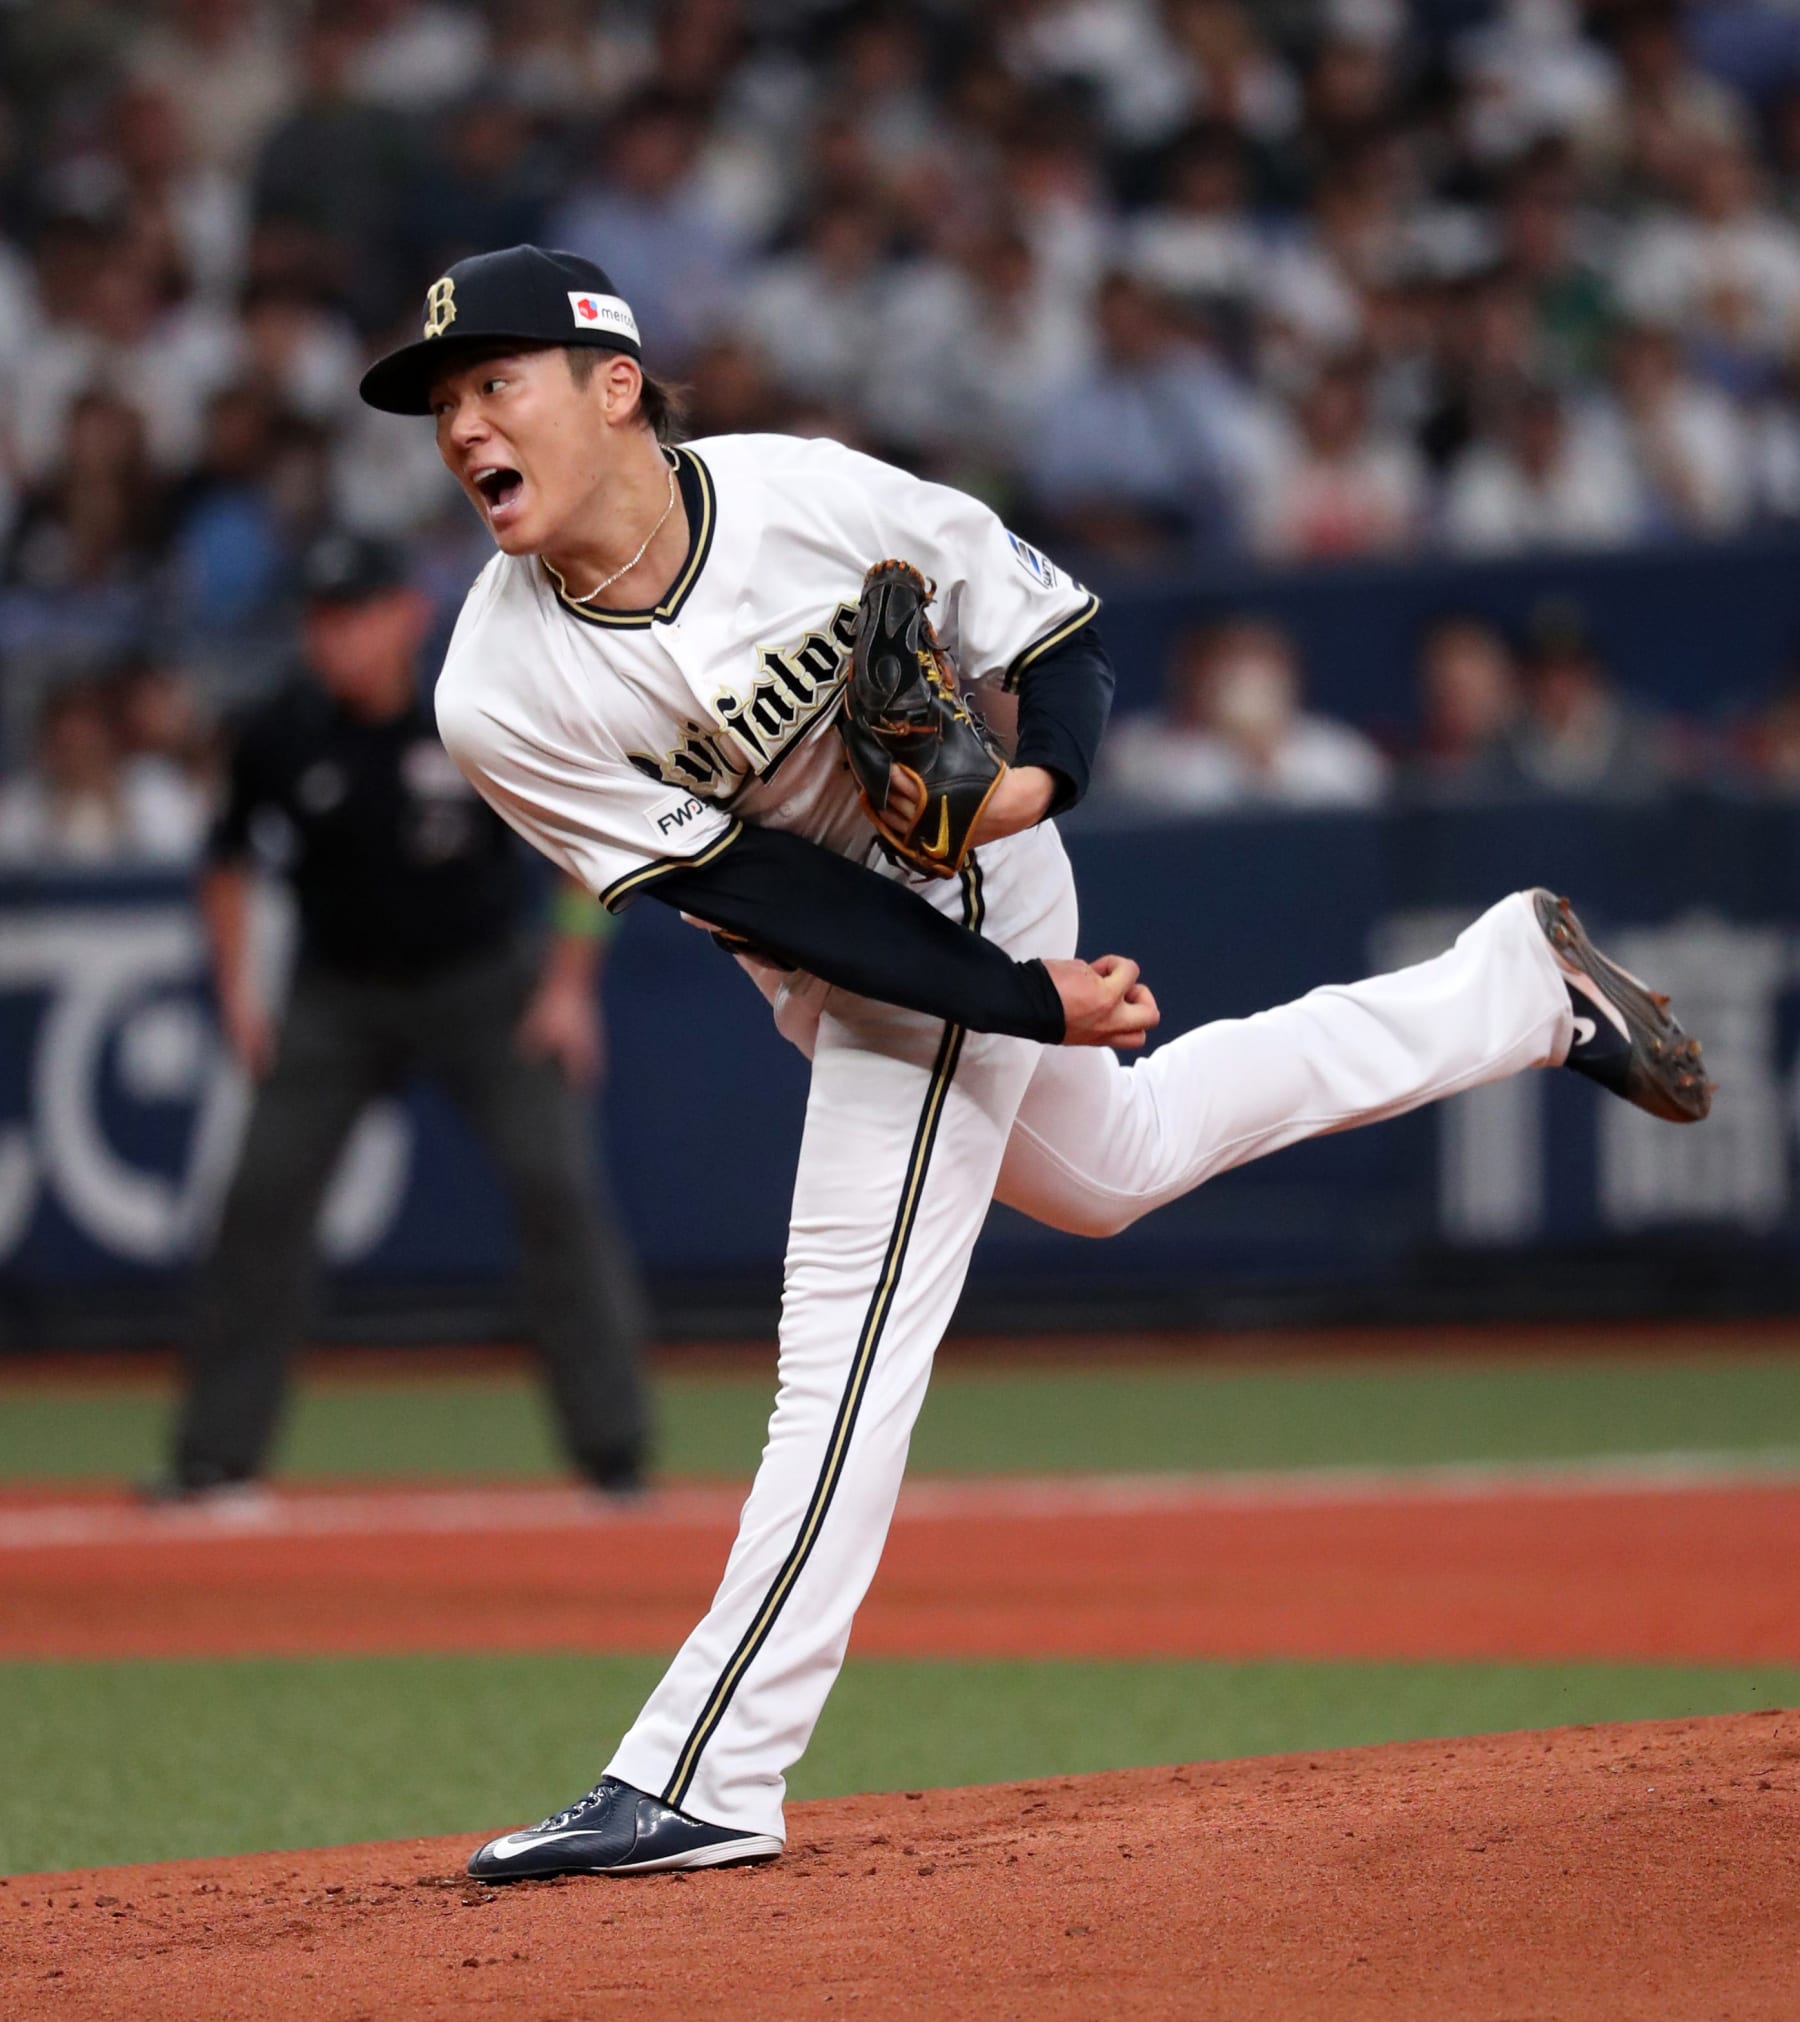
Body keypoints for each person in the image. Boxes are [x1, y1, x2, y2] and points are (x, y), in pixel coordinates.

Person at [357, 245, 1711, 1880]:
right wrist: (1024, 1005)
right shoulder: (500, 690)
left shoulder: (806, 498)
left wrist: (1023, 800)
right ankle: (1509, 988)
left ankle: (709, 1764)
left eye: (493, 382)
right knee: (1113, 1167)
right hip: (860, 949)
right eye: (440, 402)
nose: (459, 426)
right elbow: (769, 892)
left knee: (843, 1330)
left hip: (973, 887)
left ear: (615, 385)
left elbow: (1060, 631)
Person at [158, 527, 649, 1502]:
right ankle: (215, 1459)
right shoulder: (280, 729)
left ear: (408, 617)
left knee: (553, 1181)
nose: (334, 639)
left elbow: (588, 845)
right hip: (335, 990)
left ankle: (614, 1455)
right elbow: (225, 861)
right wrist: (237, 994)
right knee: (260, 1199)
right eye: (320, 621)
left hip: (483, 983)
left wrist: (566, 989)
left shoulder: (470, 709)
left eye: (355, 617)